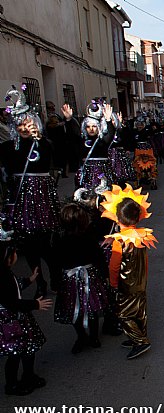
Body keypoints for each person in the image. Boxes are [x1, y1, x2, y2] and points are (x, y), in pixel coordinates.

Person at [1, 86, 61, 298]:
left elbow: (50, 156)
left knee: (47, 244)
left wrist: (39, 139)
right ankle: (40, 282)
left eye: (26, 123)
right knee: (29, 246)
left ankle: (55, 278)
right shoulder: (8, 147)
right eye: (19, 124)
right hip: (20, 199)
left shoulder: (43, 144)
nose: (23, 127)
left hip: (41, 197)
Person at [101, 185, 157, 360]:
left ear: (117, 219)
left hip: (126, 284)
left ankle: (140, 341)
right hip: (140, 282)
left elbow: (114, 265)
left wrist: (112, 283)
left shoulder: (120, 241)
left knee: (124, 313)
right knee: (140, 311)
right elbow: (145, 261)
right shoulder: (142, 236)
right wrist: (144, 277)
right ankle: (138, 336)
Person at [52, 203, 109, 354]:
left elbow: (55, 262)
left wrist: (56, 282)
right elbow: (99, 257)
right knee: (91, 309)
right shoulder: (89, 237)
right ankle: (93, 337)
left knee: (75, 309)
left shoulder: (59, 239)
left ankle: (82, 336)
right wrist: (105, 275)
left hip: (70, 280)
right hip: (89, 277)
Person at [0, 241, 52, 395]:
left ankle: (28, 376)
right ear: (8, 259)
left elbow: (15, 288)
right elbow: (12, 302)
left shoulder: (5, 273)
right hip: (12, 322)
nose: (16, 256)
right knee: (18, 353)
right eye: (13, 254)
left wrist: (30, 279)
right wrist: (35, 304)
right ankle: (13, 384)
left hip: (17, 319)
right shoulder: (3, 277)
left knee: (26, 350)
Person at [63, 101, 117, 192]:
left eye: (94, 126)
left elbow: (110, 135)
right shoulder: (82, 140)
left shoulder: (102, 140)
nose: (91, 129)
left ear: (99, 127)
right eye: (88, 126)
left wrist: (108, 121)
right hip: (87, 172)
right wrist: (69, 120)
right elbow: (72, 135)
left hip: (102, 171)